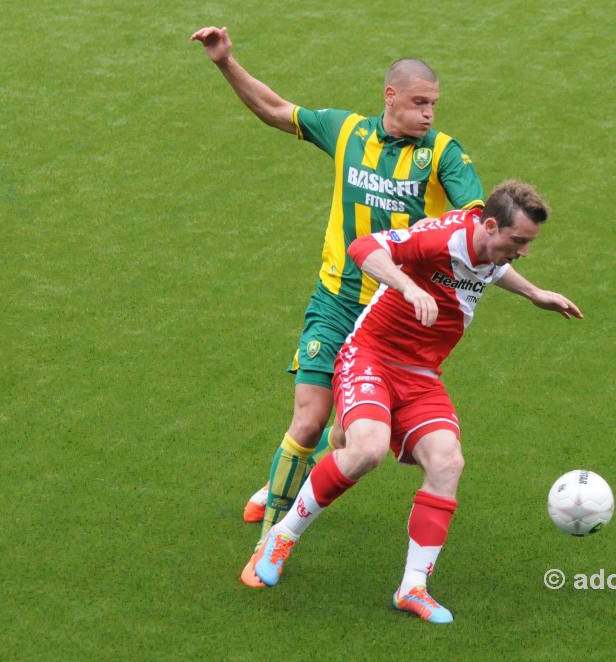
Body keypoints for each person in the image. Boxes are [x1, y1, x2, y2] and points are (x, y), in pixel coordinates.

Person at [191, 26, 494, 585]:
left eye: (434, 104)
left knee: (346, 437)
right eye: (419, 102)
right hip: (336, 299)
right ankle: (270, 543)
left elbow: (475, 219)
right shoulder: (348, 131)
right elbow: (276, 109)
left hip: (393, 318)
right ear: (390, 97)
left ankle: (288, 483)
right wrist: (225, 63)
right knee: (309, 418)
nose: (430, 113)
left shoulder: (444, 153)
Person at [246, 180, 583, 623]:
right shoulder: (440, 239)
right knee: (365, 450)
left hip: (422, 375)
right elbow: (364, 246)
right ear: (488, 226)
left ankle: (413, 587)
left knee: (447, 463)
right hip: (371, 357)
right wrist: (408, 286)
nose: (522, 250)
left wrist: (535, 293)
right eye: (518, 240)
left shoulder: (490, 249)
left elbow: (492, 267)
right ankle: (281, 537)